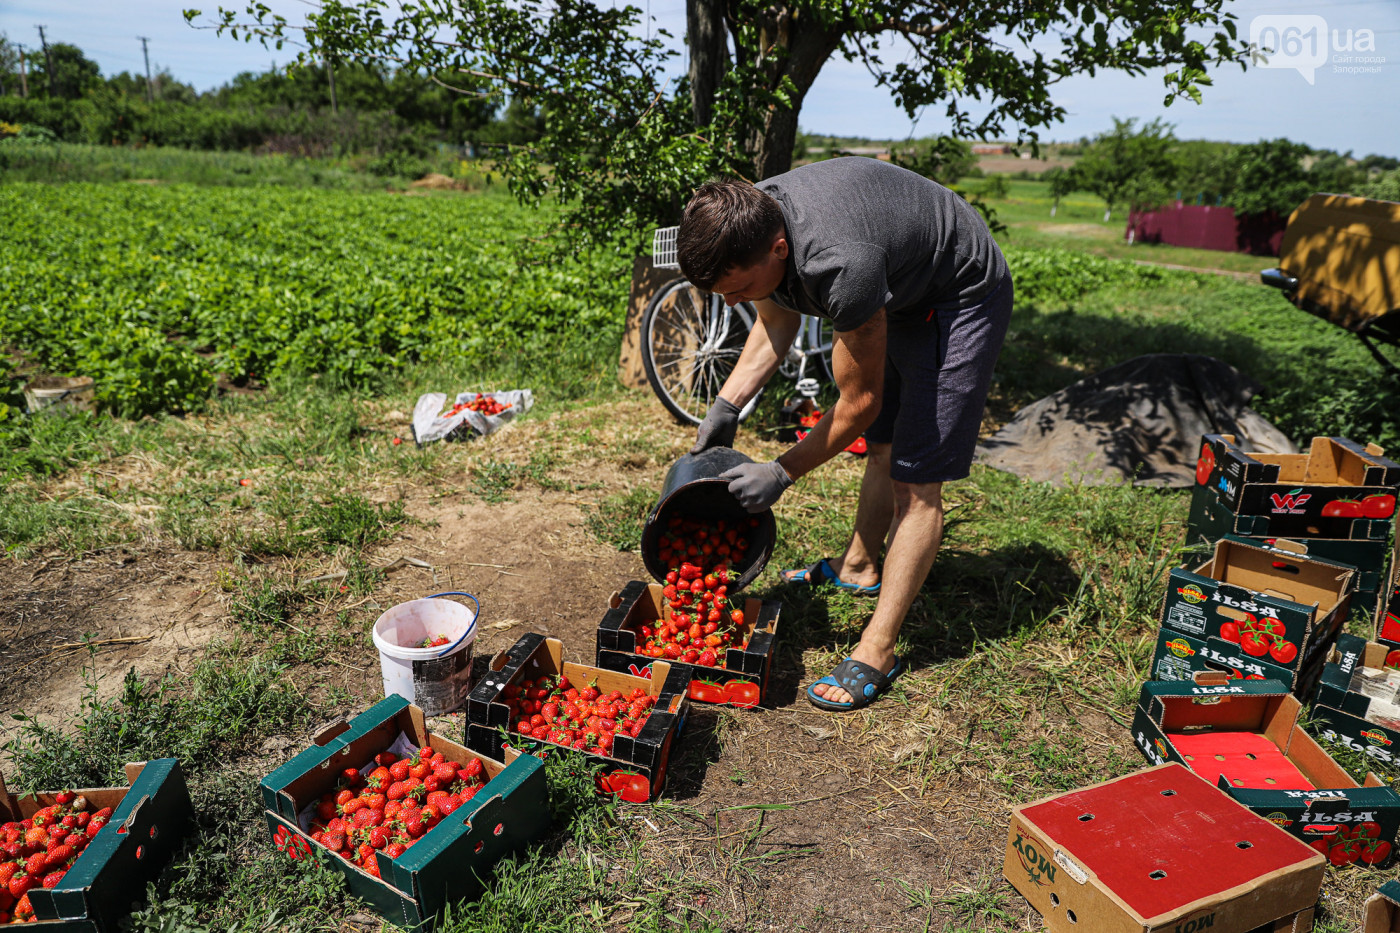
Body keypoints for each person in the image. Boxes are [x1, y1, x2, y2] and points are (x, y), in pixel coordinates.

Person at [676, 156, 1012, 712]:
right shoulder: (748, 220)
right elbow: (776, 318)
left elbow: (859, 403)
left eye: (738, 290)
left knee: (917, 481)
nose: (731, 303)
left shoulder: (840, 263)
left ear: (779, 249)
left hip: (958, 291)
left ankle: (877, 649)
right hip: (898, 281)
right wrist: (728, 403)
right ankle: (858, 567)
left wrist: (781, 472)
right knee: (882, 446)